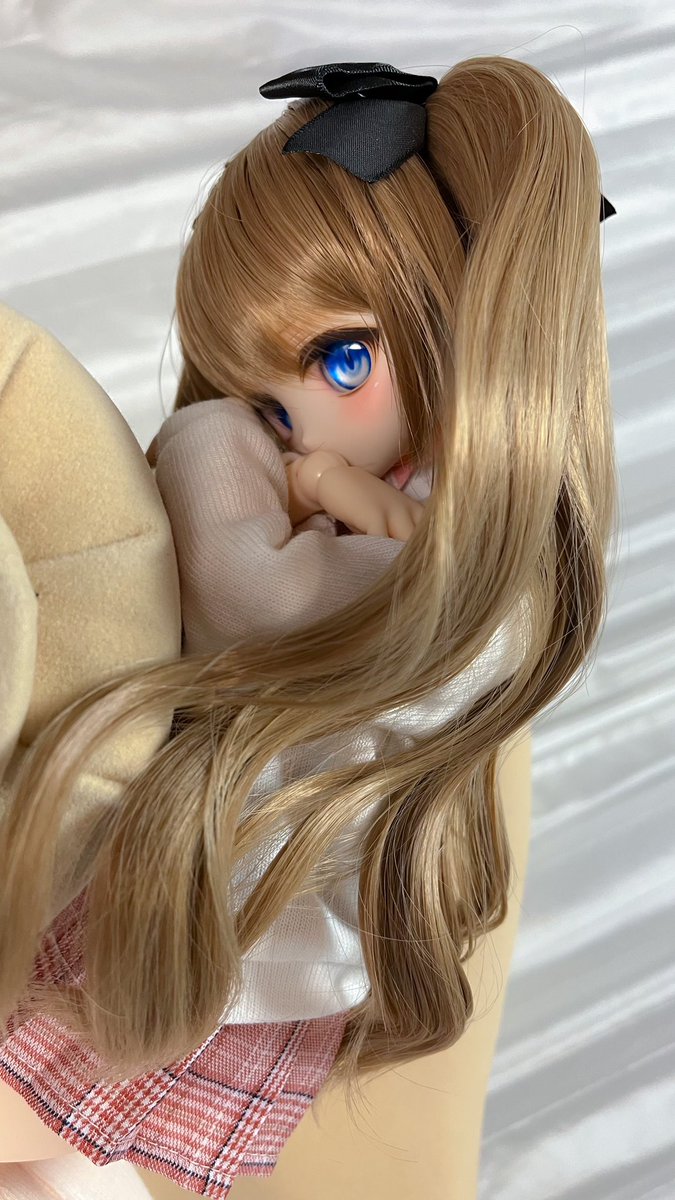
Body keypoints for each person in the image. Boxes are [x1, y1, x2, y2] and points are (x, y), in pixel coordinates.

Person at [0, 54, 618, 1198]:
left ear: (470, 335)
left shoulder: (471, 593)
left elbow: (248, 589)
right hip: (200, 919)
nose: (295, 433)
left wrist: (222, 439)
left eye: (344, 358)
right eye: (266, 405)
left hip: (236, 959)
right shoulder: (393, 527)